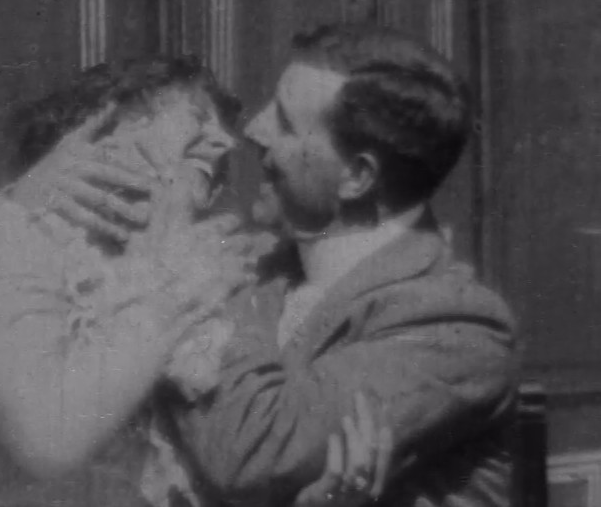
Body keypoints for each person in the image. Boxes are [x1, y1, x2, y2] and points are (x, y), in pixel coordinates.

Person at [0, 56, 391, 507]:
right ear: (105, 130)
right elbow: (49, 436)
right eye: (196, 118)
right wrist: (177, 292)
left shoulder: (207, 264)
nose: (226, 145)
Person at [154, 25, 521, 507]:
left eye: (285, 123)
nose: (254, 129)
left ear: (357, 176)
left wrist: (194, 275)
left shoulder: (458, 328)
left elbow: (251, 450)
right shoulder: (262, 265)